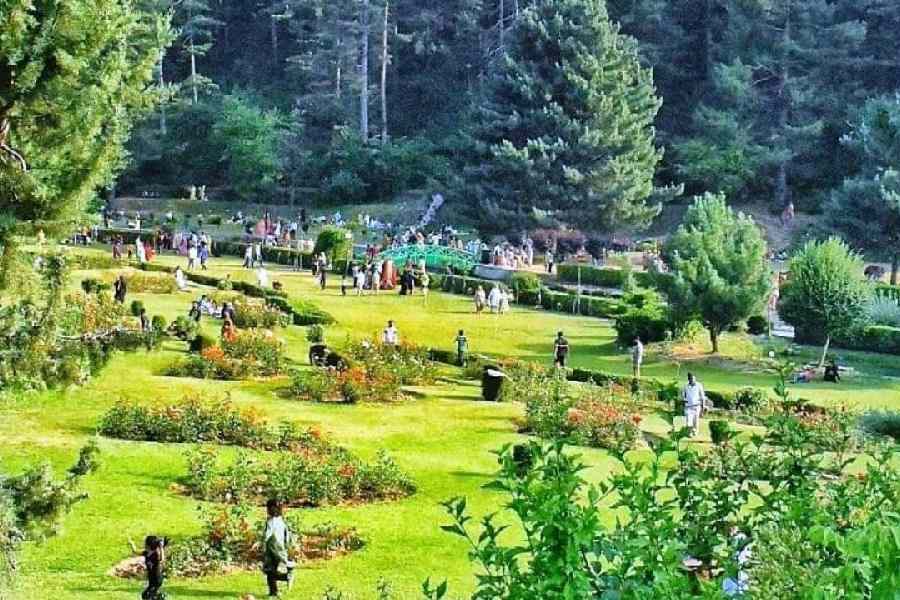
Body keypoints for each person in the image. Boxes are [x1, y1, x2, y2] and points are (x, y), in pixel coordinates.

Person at [261, 499, 294, 598]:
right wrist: (288, 546)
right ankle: (274, 591)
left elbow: (268, 534)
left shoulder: (271, 521)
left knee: (270, 571)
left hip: (273, 550)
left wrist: (260, 543)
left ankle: (285, 578)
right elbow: (287, 535)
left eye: (268, 508)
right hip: (279, 549)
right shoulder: (280, 520)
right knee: (271, 571)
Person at [128, 535, 167, 600]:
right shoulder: (146, 553)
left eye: (145, 543)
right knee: (145, 595)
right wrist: (131, 544)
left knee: (148, 595)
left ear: (149, 545)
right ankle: (160, 597)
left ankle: (161, 597)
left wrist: (161, 547)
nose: (144, 544)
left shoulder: (156, 554)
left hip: (157, 579)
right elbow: (135, 552)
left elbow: (161, 559)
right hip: (151, 580)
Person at [682, 373, 706, 437]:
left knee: (695, 420)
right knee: (688, 420)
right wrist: (683, 402)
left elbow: (702, 397)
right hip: (688, 407)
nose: (693, 380)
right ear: (689, 379)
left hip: (696, 406)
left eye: (694, 379)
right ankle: (689, 432)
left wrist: (703, 408)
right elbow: (683, 396)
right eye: (691, 379)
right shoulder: (685, 386)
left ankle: (695, 431)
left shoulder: (699, 385)